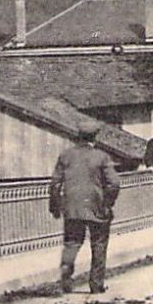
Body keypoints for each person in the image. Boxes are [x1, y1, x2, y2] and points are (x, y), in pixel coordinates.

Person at [49, 126, 121, 294]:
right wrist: (108, 202)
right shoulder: (102, 157)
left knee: (71, 243)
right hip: (97, 207)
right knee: (99, 244)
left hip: (72, 208)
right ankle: (96, 285)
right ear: (94, 138)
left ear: (78, 136)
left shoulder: (66, 155)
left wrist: (55, 206)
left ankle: (65, 280)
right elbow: (115, 183)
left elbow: (55, 183)